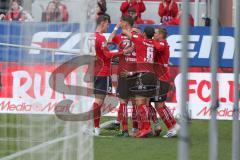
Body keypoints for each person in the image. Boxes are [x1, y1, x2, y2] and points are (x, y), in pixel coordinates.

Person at [91, 15, 132, 136]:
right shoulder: (101, 38)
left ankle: (95, 127)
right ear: (103, 23)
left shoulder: (91, 37)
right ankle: (95, 127)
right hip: (103, 72)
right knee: (99, 100)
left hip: (95, 70)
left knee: (98, 100)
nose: (108, 26)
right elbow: (107, 55)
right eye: (108, 24)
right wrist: (122, 52)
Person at [122, 26, 165, 138]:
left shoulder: (140, 40)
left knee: (139, 102)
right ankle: (148, 127)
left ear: (144, 34)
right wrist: (141, 33)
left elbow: (124, 31)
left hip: (143, 75)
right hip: (152, 75)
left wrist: (133, 31)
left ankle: (146, 128)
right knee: (146, 103)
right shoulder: (154, 43)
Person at [108, 15, 137, 137]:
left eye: (121, 21)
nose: (119, 23)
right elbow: (109, 40)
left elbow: (109, 40)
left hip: (127, 71)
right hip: (133, 71)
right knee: (134, 102)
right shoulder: (136, 34)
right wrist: (116, 28)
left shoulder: (133, 35)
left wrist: (116, 28)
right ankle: (134, 129)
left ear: (125, 23)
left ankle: (126, 130)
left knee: (124, 101)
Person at [152, 27, 180, 138]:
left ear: (161, 35)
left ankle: (171, 128)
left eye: (156, 33)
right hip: (160, 78)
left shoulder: (163, 44)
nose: (154, 35)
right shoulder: (161, 44)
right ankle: (174, 125)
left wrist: (150, 39)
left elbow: (158, 47)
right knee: (162, 105)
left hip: (161, 79)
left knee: (159, 106)